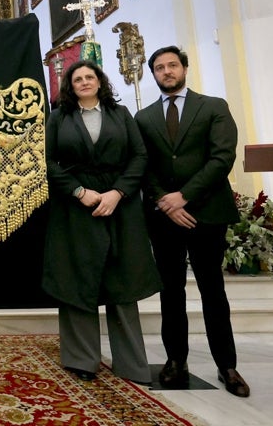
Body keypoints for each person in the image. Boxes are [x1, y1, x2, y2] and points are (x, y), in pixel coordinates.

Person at [134, 46, 250, 398]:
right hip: (164, 217)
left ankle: (227, 365)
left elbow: (221, 157)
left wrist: (184, 196)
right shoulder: (144, 116)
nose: (166, 71)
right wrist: (164, 202)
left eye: (172, 65)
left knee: (212, 290)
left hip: (206, 212)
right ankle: (175, 361)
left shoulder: (212, 107)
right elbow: (144, 164)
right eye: (159, 67)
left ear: (184, 68)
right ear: (152, 74)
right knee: (171, 292)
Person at [41, 60, 162, 385]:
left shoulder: (121, 115)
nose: (83, 82)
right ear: (70, 85)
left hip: (119, 208)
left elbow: (139, 156)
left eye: (89, 77)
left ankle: (130, 362)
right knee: (77, 280)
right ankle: (81, 358)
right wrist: (79, 191)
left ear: (99, 81)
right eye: (77, 78)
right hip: (75, 207)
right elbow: (48, 160)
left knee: (122, 282)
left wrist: (117, 193)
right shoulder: (58, 118)